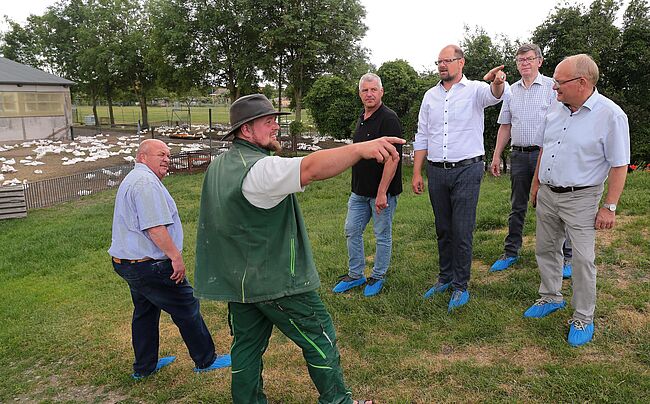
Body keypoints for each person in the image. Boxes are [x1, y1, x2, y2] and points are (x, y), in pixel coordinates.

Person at [194, 93, 402, 403]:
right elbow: (311, 168)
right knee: (319, 335)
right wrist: (359, 149)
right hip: (277, 279)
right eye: (268, 122)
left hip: (239, 282)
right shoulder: (259, 170)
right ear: (246, 131)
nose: (276, 126)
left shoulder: (221, 165)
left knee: (246, 347)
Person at [525, 54, 629, 347]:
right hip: (548, 193)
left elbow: (619, 164)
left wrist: (609, 207)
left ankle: (583, 315)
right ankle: (550, 296)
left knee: (582, 259)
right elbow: (546, 150)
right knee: (546, 248)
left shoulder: (611, 115)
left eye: (559, 82)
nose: (554, 87)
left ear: (582, 83)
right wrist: (536, 186)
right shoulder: (556, 111)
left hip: (582, 197)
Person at [109, 139, 231, 380]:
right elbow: (154, 228)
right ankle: (206, 360)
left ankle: (145, 367)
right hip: (149, 266)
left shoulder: (136, 178)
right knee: (187, 306)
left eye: (168, 154)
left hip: (128, 263)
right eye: (160, 154)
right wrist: (175, 257)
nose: (166, 159)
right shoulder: (145, 183)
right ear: (143, 157)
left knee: (145, 311)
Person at [412, 44, 507, 312]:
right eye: (439, 61)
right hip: (436, 170)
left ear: (461, 63)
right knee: (443, 227)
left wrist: (498, 82)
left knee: (461, 229)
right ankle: (445, 277)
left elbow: (495, 95)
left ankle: (460, 285)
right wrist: (418, 171)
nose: (442, 65)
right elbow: (422, 135)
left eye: (447, 61)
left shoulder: (476, 90)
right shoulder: (429, 96)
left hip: (467, 169)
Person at [489, 44, 573, 278]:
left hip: (545, 154)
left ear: (539, 61)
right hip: (519, 155)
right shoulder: (510, 91)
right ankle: (511, 252)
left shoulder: (551, 87)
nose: (524, 63)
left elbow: (562, 123)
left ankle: (567, 256)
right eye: (520, 60)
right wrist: (496, 155)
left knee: (554, 205)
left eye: (529, 59)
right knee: (517, 205)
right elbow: (505, 126)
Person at [332, 73, 403, 297]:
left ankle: (378, 276)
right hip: (359, 192)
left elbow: (393, 159)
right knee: (351, 231)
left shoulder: (389, 119)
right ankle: (356, 274)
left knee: (382, 235)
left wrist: (382, 193)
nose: (369, 94)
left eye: (373, 90)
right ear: (360, 94)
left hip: (382, 193)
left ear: (381, 92)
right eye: (365, 90)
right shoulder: (361, 118)